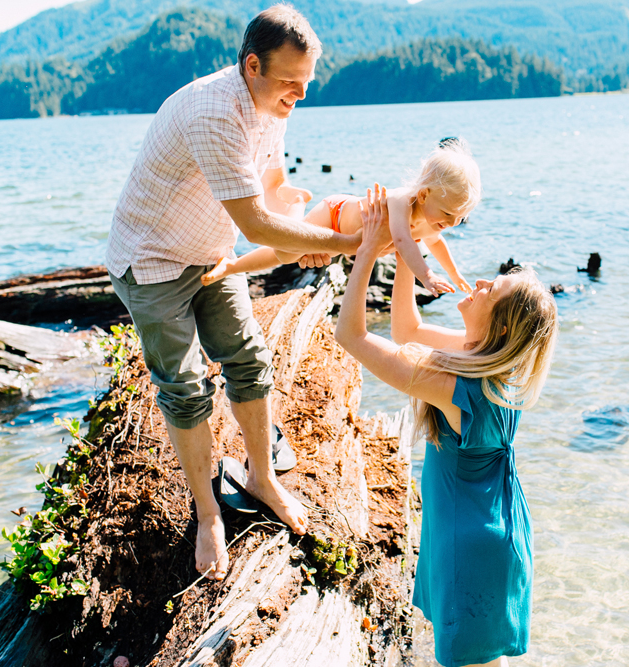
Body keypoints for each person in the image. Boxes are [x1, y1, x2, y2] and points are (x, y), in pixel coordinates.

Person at [105, 6, 361, 581]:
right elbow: (257, 225)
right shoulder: (214, 111)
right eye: (291, 81)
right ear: (252, 66)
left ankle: (262, 478)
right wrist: (340, 242)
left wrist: (302, 217)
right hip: (151, 261)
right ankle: (207, 515)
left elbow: (269, 187)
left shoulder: (273, 103)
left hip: (211, 253)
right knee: (185, 388)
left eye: (307, 82)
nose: (301, 94)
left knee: (249, 358)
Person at [335, 186, 558, 667]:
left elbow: (350, 335)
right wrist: (405, 252)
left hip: (470, 546)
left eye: (491, 290)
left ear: (500, 325)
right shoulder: (491, 365)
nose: (479, 282)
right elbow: (407, 333)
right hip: (489, 529)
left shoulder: (458, 384)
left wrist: (368, 251)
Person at [201, 142, 481, 295]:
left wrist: (455, 274)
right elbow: (402, 240)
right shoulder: (401, 200)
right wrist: (427, 276)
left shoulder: (431, 222)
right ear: (424, 194)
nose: (452, 223)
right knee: (286, 253)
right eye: (448, 213)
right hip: (333, 214)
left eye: (461, 217)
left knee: (286, 255)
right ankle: (296, 202)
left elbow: (436, 243)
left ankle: (231, 267)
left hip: (342, 243)